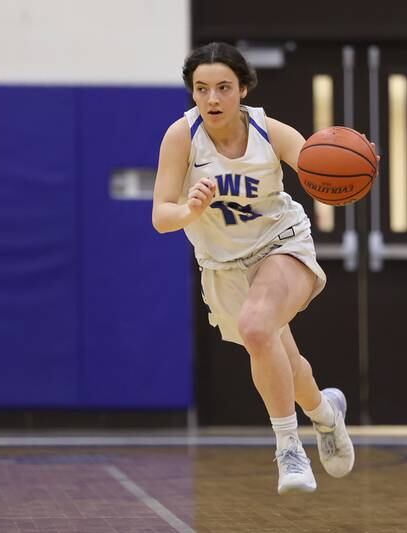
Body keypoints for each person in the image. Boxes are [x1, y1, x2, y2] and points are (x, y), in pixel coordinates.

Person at [152, 42, 355, 495]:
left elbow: (317, 168)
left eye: (223, 87)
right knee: (283, 356)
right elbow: (161, 216)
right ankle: (324, 412)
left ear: (242, 89)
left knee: (258, 328)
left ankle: (289, 449)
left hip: (280, 243)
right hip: (222, 266)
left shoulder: (268, 130)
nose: (212, 99)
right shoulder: (181, 137)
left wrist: (345, 172)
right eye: (201, 89)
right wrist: (189, 209)